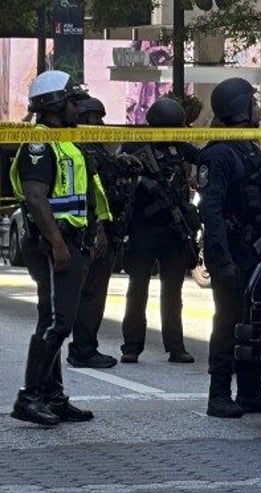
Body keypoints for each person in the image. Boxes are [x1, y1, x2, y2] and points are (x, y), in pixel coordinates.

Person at [9, 70, 111, 425]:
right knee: (57, 322)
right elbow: (36, 199)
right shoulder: (40, 144)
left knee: (54, 319)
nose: (76, 107)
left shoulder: (66, 140)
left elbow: (82, 190)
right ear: (53, 105)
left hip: (72, 242)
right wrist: (57, 243)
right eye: (70, 101)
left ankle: (52, 396)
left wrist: (96, 228)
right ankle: (30, 397)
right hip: (54, 245)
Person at [196, 77, 261, 418]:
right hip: (231, 250)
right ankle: (219, 394)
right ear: (239, 108)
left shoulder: (248, 147)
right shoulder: (219, 153)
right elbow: (211, 210)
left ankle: (248, 389)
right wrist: (221, 258)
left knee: (253, 319)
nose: (258, 107)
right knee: (227, 321)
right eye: (253, 101)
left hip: (254, 248)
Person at [119, 96, 200, 365]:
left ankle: (175, 346)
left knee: (173, 292)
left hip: (174, 231)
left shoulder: (180, 147)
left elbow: (202, 157)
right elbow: (119, 169)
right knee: (137, 289)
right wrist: (142, 181)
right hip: (143, 228)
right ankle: (132, 346)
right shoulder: (137, 146)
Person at [66, 96, 141, 368]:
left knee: (89, 294)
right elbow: (91, 191)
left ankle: (83, 346)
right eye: (95, 118)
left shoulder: (91, 149)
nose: (100, 123)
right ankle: (83, 348)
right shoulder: (83, 150)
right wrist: (98, 229)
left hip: (97, 230)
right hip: (92, 232)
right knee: (91, 294)